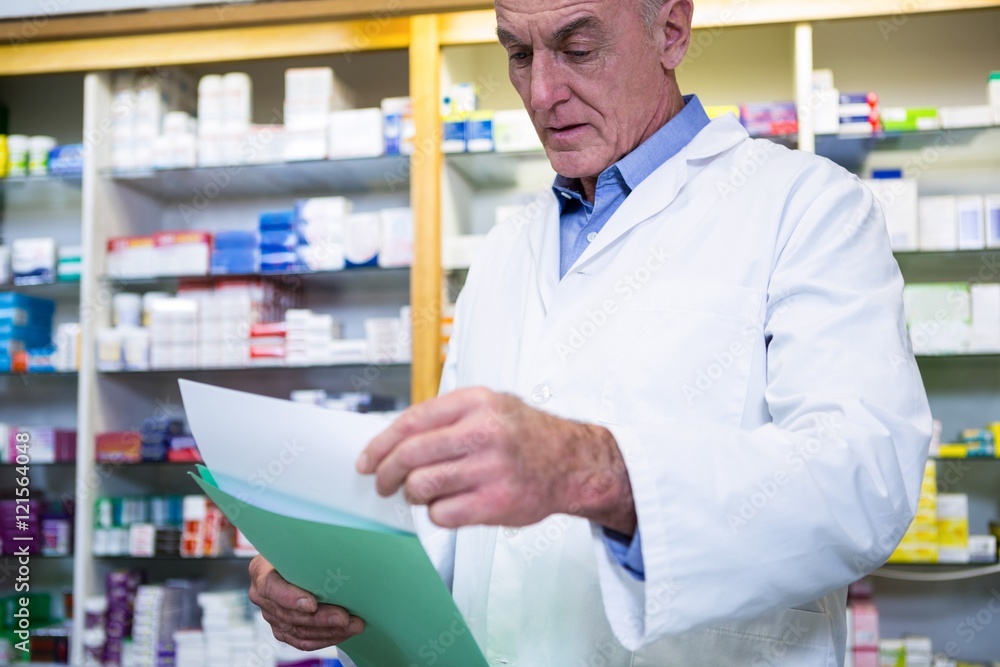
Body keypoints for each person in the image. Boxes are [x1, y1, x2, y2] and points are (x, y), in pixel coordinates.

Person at [249, 0, 932, 664]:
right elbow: (448, 502)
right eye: (518, 53)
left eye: (578, 48)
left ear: (670, 31)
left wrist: (596, 470)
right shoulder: (506, 247)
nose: (542, 91)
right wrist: (337, 573)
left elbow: (864, 480)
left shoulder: (808, 209)